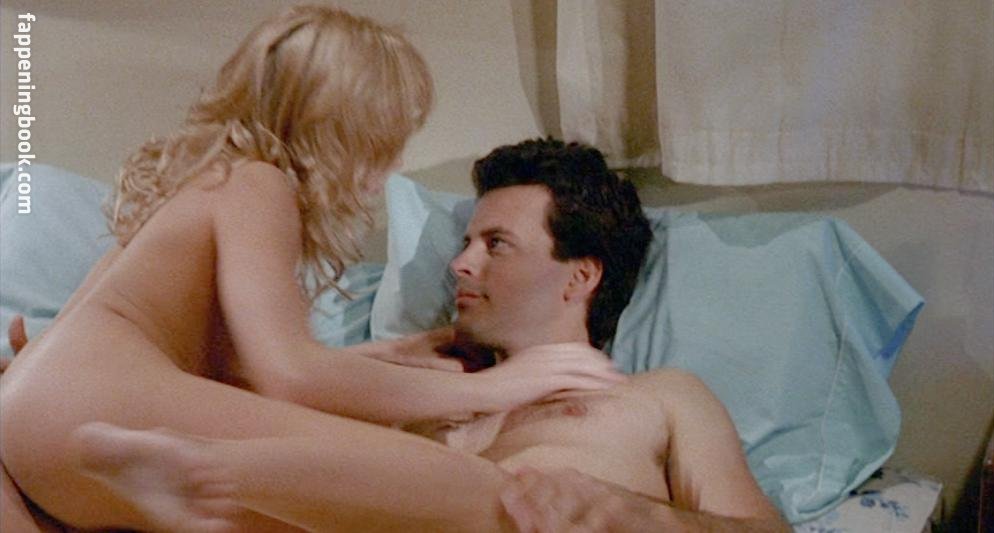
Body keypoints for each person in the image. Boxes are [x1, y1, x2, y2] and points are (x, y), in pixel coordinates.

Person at [0, 9, 623, 532]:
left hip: (39, 430)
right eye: (385, 137)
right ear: (341, 127)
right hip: (92, 406)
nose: (391, 163)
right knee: (477, 494)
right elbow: (291, 375)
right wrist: (492, 390)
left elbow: (238, 376)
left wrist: (392, 355)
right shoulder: (257, 182)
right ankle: (197, 469)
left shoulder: (201, 181)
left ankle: (187, 474)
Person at [62, 139, 791, 532]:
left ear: (580, 276)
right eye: (466, 241)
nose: (460, 263)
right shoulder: (405, 390)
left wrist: (639, 517)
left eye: (496, 244)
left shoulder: (658, 398)